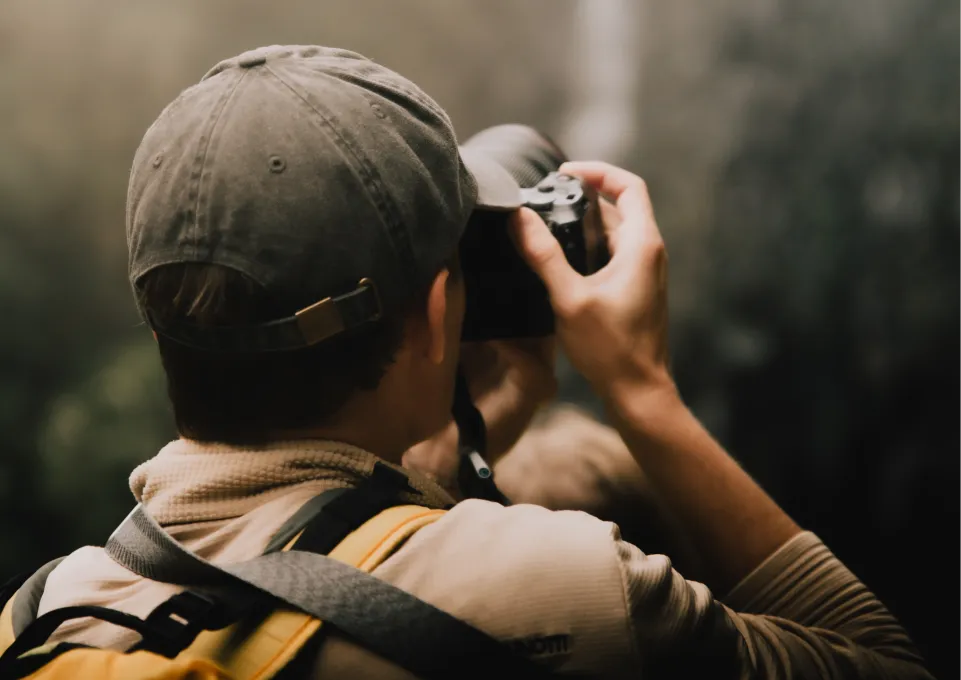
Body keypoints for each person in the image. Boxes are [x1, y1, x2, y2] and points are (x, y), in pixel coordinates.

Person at [30, 45, 931, 679]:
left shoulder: (48, 613)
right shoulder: (564, 593)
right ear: (435, 315)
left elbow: (333, 542)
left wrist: (475, 435)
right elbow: (881, 661)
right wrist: (640, 390)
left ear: (159, 333)